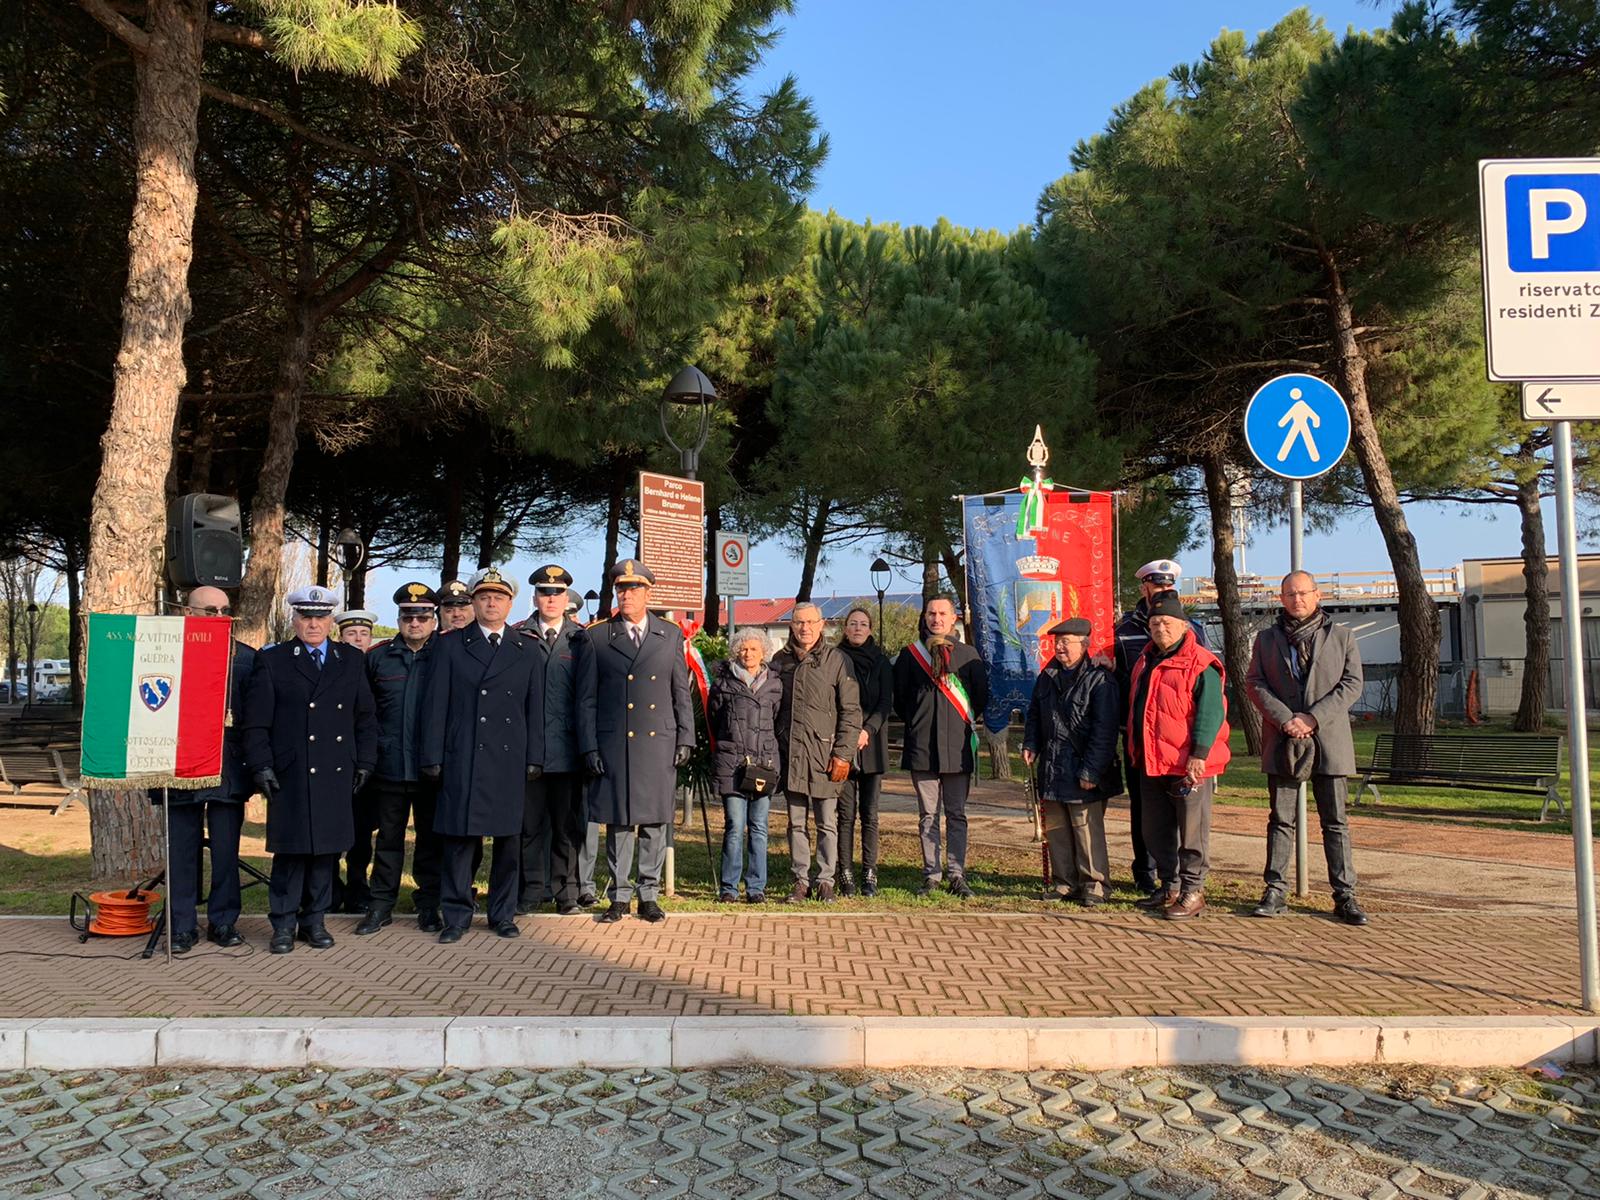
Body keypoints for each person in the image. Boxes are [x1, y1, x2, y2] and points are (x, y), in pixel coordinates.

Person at [241, 585, 377, 954]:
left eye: (320, 617)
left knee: (325, 852)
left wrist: (365, 761)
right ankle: (283, 924)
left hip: (336, 771)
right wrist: (261, 766)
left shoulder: (350, 660)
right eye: (305, 617)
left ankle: (314, 921)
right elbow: (255, 723)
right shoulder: (274, 661)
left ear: (331, 620)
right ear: (295, 620)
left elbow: (364, 717)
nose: (313, 624)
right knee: (292, 852)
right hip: (292, 772)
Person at [419, 567, 541, 943]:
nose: (491, 603)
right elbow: (435, 704)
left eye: (498, 597)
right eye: (484, 597)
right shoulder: (450, 644)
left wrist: (535, 755)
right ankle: (455, 915)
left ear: (510, 604)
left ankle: (502, 914)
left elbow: (533, 708)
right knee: (459, 841)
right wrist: (432, 755)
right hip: (464, 755)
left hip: (507, 758)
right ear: (473, 603)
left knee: (508, 843)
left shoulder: (526, 647)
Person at [1245, 571, 1369, 926]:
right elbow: (1255, 682)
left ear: (1317, 595)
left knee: (1336, 823)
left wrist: (1312, 718)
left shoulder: (1342, 636)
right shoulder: (1266, 639)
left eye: (1302, 593)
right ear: (1281, 599)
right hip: (1283, 739)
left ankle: (1345, 896)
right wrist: (1286, 719)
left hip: (1329, 740)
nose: (1296, 599)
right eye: (1289, 594)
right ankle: (1275, 891)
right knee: (1280, 820)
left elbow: (1352, 683)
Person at [577, 560, 694, 924]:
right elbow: (586, 699)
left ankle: (649, 894)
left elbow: (680, 692)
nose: (626, 595)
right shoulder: (597, 636)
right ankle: (619, 895)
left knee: (656, 822)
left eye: (633, 589)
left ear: (648, 593)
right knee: (620, 822)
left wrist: (686, 736)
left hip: (658, 741)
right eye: (620, 589)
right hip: (615, 744)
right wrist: (589, 746)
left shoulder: (670, 634)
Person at [1125, 589, 1230, 921]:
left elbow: (1211, 712)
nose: (1160, 629)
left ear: (1184, 626)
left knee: (1192, 830)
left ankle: (1193, 890)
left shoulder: (1201, 663)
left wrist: (1199, 753)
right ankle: (1169, 885)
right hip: (1152, 761)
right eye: (1155, 623)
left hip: (1188, 765)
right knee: (1155, 829)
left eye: (1168, 623)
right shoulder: (1145, 659)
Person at [162, 586, 254, 952]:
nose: (218, 617)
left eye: (224, 610)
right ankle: (182, 925)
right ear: (188, 612)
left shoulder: (246, 658)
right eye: (209, 610)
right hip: (180, 763)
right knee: (182, 850)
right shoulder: (165, 652)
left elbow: (255, 719)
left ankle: (223, 922)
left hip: (227, 767)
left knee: (226, 851)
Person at [1113, 558, 1210, 896]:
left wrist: (1202, 748)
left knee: (1186, 817)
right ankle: (1147, 872)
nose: (1162, 593)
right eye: (1157, 588)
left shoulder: (1192, 629)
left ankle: (1185, 882)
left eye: (1169, 589)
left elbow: (1204, 689)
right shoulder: (1123, 629)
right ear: (1144, 588)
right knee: (1146, 811)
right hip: (1139, 737)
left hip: (1180, 744)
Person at [355, 582, 443, 935]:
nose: (415, 623)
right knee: (387, 840)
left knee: (430, 841)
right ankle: (380, 906)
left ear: (433, 620)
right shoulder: (377, 658)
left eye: (422, 616)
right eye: (408, 617)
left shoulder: (446, 656)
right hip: (389, 767)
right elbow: (365, 713)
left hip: (431, 768)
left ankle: (428, 905)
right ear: (399, 619)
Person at [1022, 618, 1122, 906]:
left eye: (1067, 642)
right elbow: (1034, 715)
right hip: (1053, 768)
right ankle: (1065, 883)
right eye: (1057, 642)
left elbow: (1104, 731)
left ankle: (1095, 885)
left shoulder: (1100, 679)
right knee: (1058, 831)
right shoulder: (1047, 676)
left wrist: (1091, 769)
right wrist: (1031, 743)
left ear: (1085, 644)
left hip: (1084, 768)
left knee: (1086, 830)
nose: (1060, 647)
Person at [894, 595, 989, 898]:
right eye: (931, 613)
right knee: (927, 816)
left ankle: (957, 874)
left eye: (942, 613)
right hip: (923, 747)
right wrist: (922, 722)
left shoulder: (969, 655)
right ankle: (931, 875)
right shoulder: (910, 656)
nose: (936, 618)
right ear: (924, 618)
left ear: (953, 618)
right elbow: (901, 701)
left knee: (957, 814)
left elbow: (980, 698)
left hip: (958, 749)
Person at [771, 604, 862, 904]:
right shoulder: (779, 661)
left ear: (822, 624)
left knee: (827, 823)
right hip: (791, 755)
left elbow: (851, 713)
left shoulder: (838, 660)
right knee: (796, 823)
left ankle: (825, 881)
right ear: (792, 625)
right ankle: (800, 881)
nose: (805, 628)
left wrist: (844, 755)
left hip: (826, 757)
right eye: (799, 622)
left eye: (811, 622)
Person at [515, 563, 591, 916]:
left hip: (567, 752)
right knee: (528, 829)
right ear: (535, 597)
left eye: (556, 592)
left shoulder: (581, 639)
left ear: (565, 598)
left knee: (566, 829)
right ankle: (530, 892)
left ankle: (566, 894)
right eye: (544, 592)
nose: (550, 598)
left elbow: (588, 697)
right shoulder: (519, 636)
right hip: (527, 751)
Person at [708, 631, 784, 903]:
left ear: (763, 652)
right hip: (732, 763)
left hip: (763, 763)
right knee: (734, 826)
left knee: (760, 827)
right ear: (736, 652)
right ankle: (729, 888)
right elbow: (715, 719)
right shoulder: (723, 683)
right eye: (743, 649)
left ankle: (756, 888)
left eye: (753, 649)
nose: (748, 653)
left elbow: (776, 720)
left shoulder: (775, 684)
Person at [833, 607, 892, 897]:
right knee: (845, 815)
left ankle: (870, 873)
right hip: (843, 745)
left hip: (872, 745)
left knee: (870, 814)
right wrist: (849, 734)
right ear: (845, 628)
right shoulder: (835, 659)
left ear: (870, 629)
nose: (857, 628)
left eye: (863, 624)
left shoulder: (881, 662)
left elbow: (885, 702)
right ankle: (844, 873)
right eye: (852, 623)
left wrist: (868, 729)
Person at [331, 607, 380, 912]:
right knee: (333, 830)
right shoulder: (333, 666)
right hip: (335, 761)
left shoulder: (377, 666)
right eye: (351, 634)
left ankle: (359, 888)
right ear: (340, 636)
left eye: (363, 634)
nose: (358, 639)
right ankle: (331, 889)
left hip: (368, 762)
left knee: (362, 833)